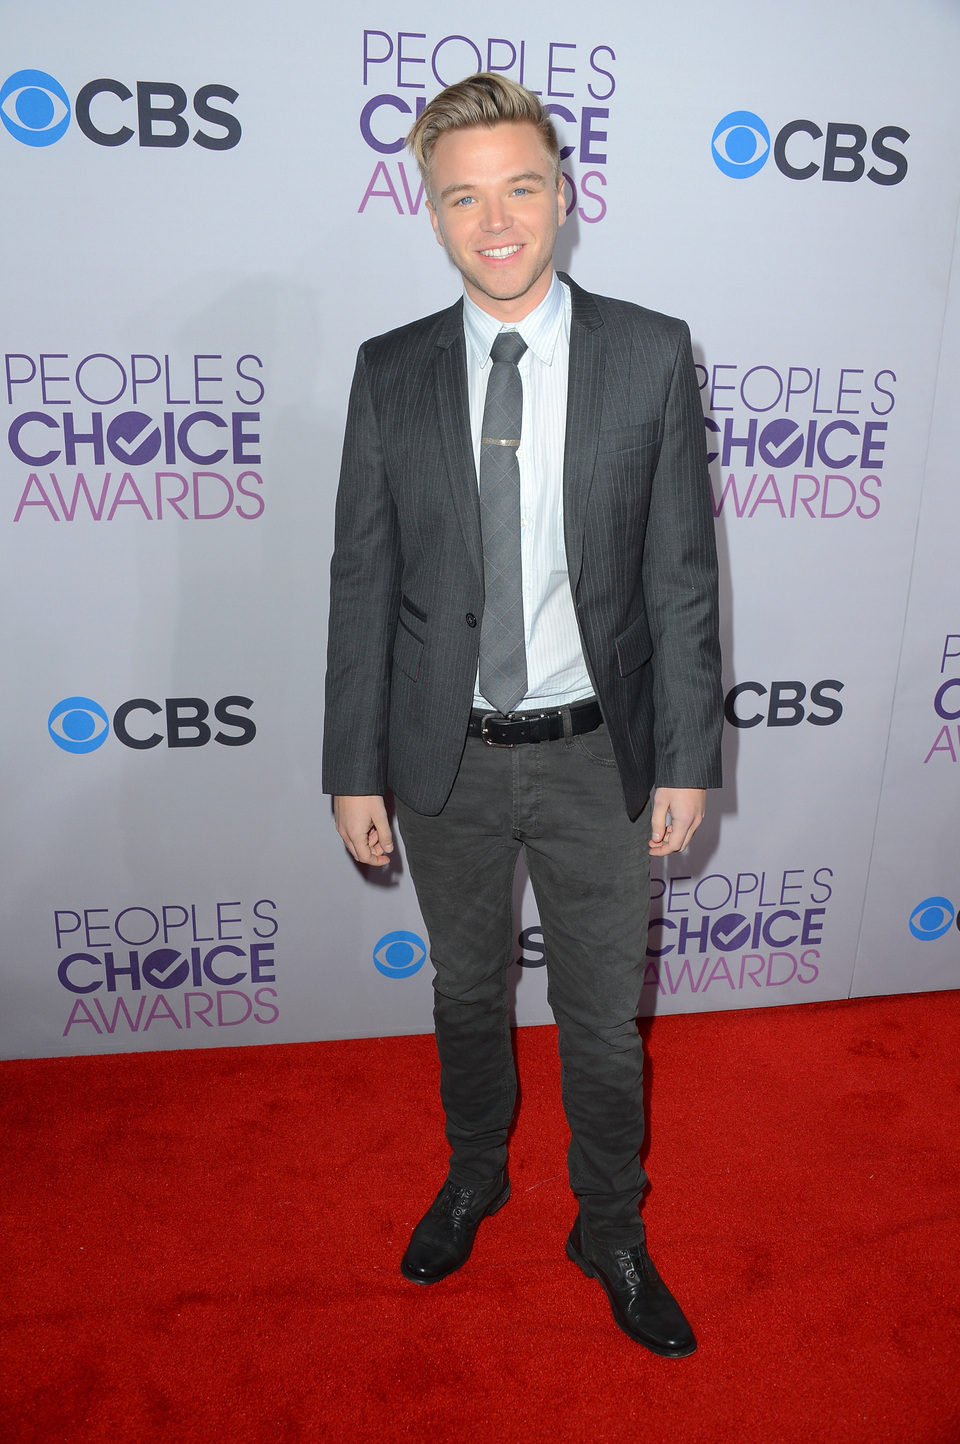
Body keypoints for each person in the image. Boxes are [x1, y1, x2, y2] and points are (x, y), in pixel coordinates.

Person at [323, 73, 722, 1358]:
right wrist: (352, 764)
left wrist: (686, 757)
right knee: (464, 991)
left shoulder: (649, 352)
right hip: (441, 754)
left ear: (565, 194)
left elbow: (678, 573)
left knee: (602, 1014)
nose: (497, 220)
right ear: (430, 213)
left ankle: (608, 1221)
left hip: (599, 753)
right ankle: (477, 1171)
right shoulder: (388, 372)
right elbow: (363, 578)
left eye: (520, 187)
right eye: (464, 196)